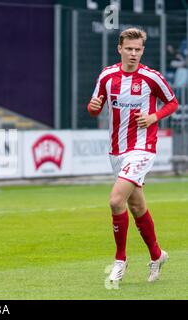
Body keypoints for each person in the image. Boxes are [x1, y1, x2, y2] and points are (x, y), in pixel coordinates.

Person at [88, 28, 179, 283]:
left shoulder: (152, 78)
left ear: (142, 50)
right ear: (120, 48)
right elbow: (95, 105)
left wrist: (154, 117)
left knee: (116, 200)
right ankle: (157, 254)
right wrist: (92, 107)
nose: (133, 53)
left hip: (142, 148)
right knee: (136, 206)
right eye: (129, 48)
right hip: (116, 151)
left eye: (138, 49)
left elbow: (172, 102)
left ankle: (120, 260)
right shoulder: (107, 75)